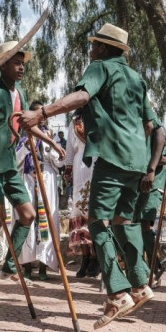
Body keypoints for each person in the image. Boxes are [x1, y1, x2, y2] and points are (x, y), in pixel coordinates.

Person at [19, 23, 163, 330]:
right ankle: (140, 284)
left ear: (106, 49)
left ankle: (118, 293)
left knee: (97, 223)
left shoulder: (100, 67)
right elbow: (153, 126)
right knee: (125, 223)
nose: (91, 49)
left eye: (95, 44)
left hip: (113, 158)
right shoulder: (137, 78)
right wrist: (147, 162)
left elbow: (82, 97)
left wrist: (41, 113)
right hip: (137, 161)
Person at [0, 41, 64, 297]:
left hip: (9, 166)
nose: (21, 68)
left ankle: (10, 264)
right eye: (16, 63)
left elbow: (26, 125)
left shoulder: (21, 95)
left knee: (28, 215)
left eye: (23, 64)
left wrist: (51, 142)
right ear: (2, 64)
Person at [15, 101, 65, 281]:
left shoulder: (51, 138)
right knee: (28, 219)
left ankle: (44, 266)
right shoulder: (23, 138)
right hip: (28, 180)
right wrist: (29, 145)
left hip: (47, 179)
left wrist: (50, 146)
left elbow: (59, 162)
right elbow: (17, 161)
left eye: (41, 115)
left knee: (47, 220)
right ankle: (26, 266)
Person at [133, 109, 166, 286]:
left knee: (145, 225)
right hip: (137, 183)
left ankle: (154, 268)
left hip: (152, 184)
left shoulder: (155, 123)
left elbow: (163, 158)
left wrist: (148, 166)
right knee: (134, 225)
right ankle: (141, 269)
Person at [64, 112, 99, 278]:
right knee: (80, 211)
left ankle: (96, 257)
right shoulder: (75, 122)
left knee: (95, 211)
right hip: (80, 166)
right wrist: (68, 168)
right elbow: (70, 148)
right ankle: (85, 258)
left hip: (97, 164)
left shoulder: (100, 115)